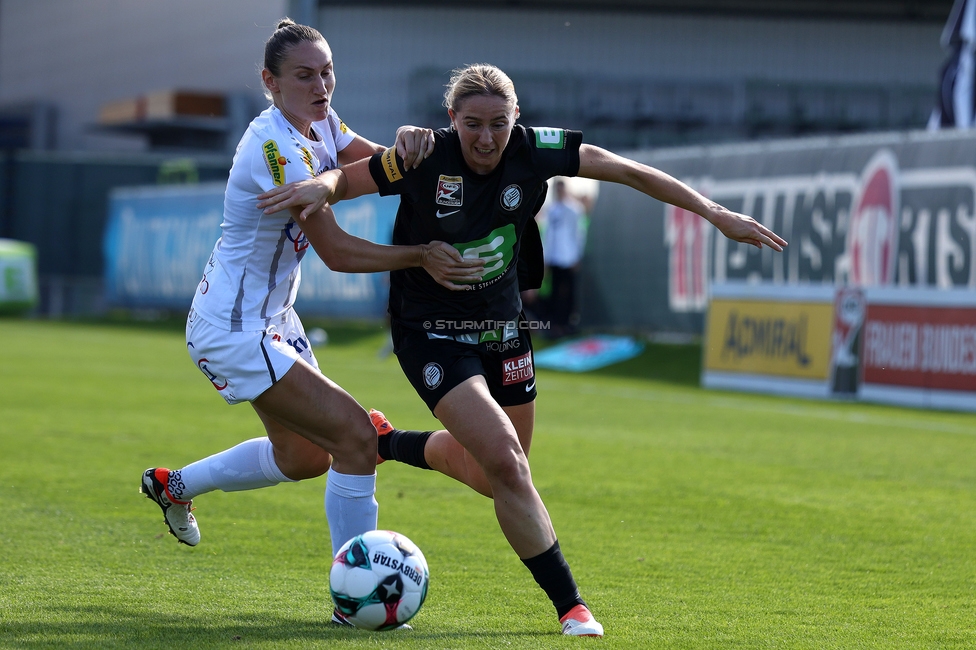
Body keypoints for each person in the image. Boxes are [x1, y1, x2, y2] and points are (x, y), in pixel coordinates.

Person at [256, 63, 787, 637]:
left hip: (505, 330)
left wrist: (716, 214)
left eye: (499, 125)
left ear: (517, 121)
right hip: (430, 332)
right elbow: (347, 181)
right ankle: (572, 605)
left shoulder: (537, 152)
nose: (486, 139)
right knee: (506, 460)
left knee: (494, 474)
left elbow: (626, 170)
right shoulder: (423, 155)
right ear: (451, 120)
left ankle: (388, 442)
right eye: (473, 125)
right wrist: (322, 184)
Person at [139, 19, 483, 578]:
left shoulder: (320, 122)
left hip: (270, 317)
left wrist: (425, 146)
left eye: (326, 72)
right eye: (303, 76)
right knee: (354, 436)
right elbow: (338, 253)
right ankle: (359, 593)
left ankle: (171, 486)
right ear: (270, 83)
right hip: (234, 326)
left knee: (304, 458)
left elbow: (380, 168)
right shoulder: (274, 148)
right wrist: (422, 254)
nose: (320, 86)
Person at [541, 178, 587, 338]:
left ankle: (569, 324)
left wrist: (577, 256)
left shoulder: (574, 209)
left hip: (569, 257)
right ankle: (556, 325)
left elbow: (579, 234)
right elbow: (549, 235)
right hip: (555, 258)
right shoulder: (552, 209)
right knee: (555, 292)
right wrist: (546, 258)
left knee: (569, 292)